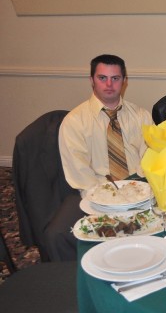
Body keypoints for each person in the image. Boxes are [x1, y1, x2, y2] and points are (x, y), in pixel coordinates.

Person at [56, 54, 152, 260]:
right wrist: (110, 203)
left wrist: (137, 195)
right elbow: (81, 175)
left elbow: (150, 160)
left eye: (115, 78)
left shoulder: (141, 116)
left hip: (139, 192)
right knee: (61, 235)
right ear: (91, 80)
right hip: (97, 195)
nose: (109, 84)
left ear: (124, 81)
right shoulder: (74, 122)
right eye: (102, 78)